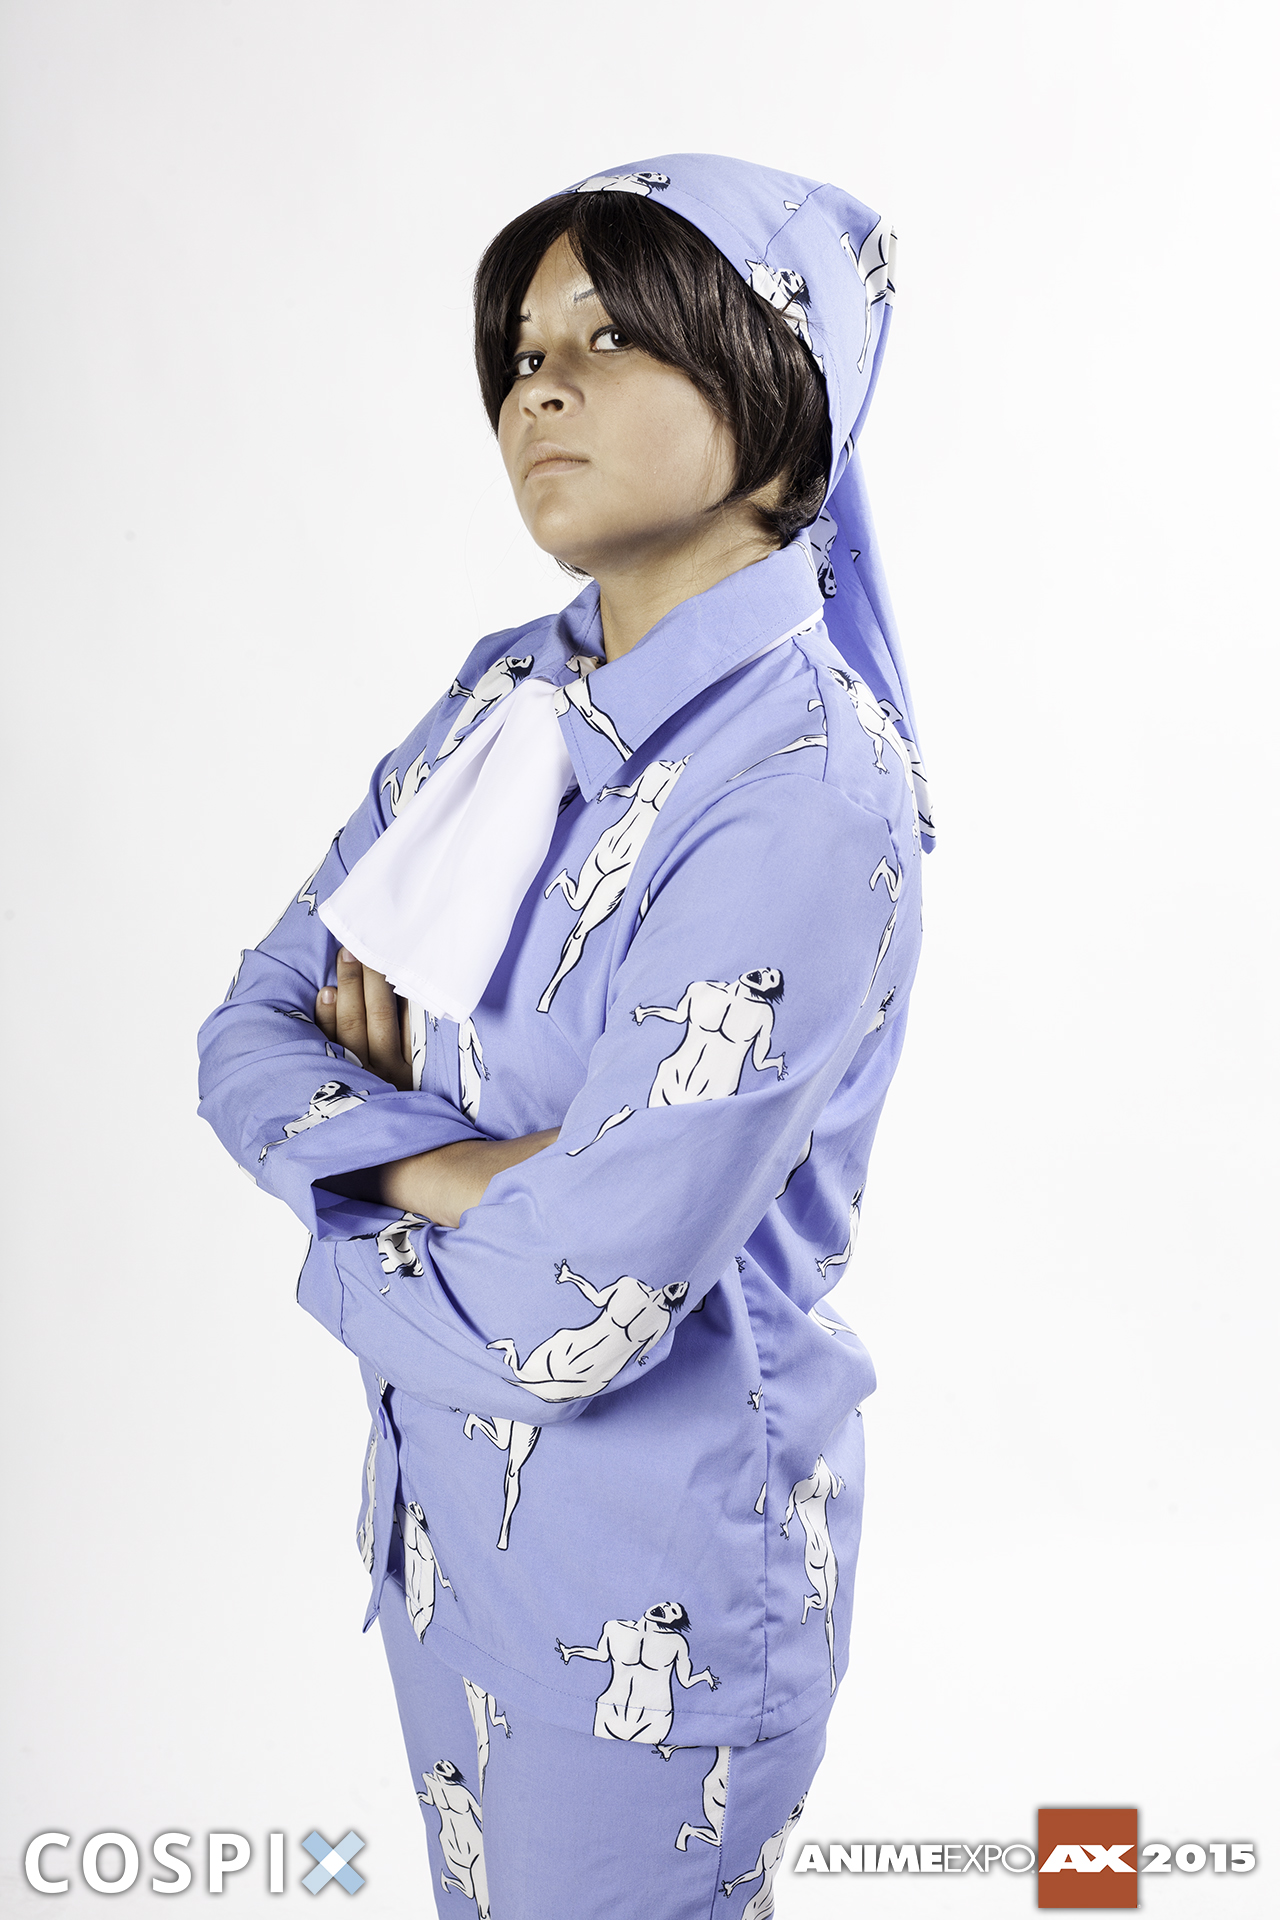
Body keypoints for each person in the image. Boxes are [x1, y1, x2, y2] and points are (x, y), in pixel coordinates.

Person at [197, 152, 933, 1920]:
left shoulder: (802, 789)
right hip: (447, 1554)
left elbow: (569, 1312)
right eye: (523, 349)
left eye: (610, 337)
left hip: (648, 1590)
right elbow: (245, 1031)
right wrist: (463, 1170)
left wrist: (342, 1185)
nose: (540, 385)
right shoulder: (504, 698)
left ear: (772, 381)